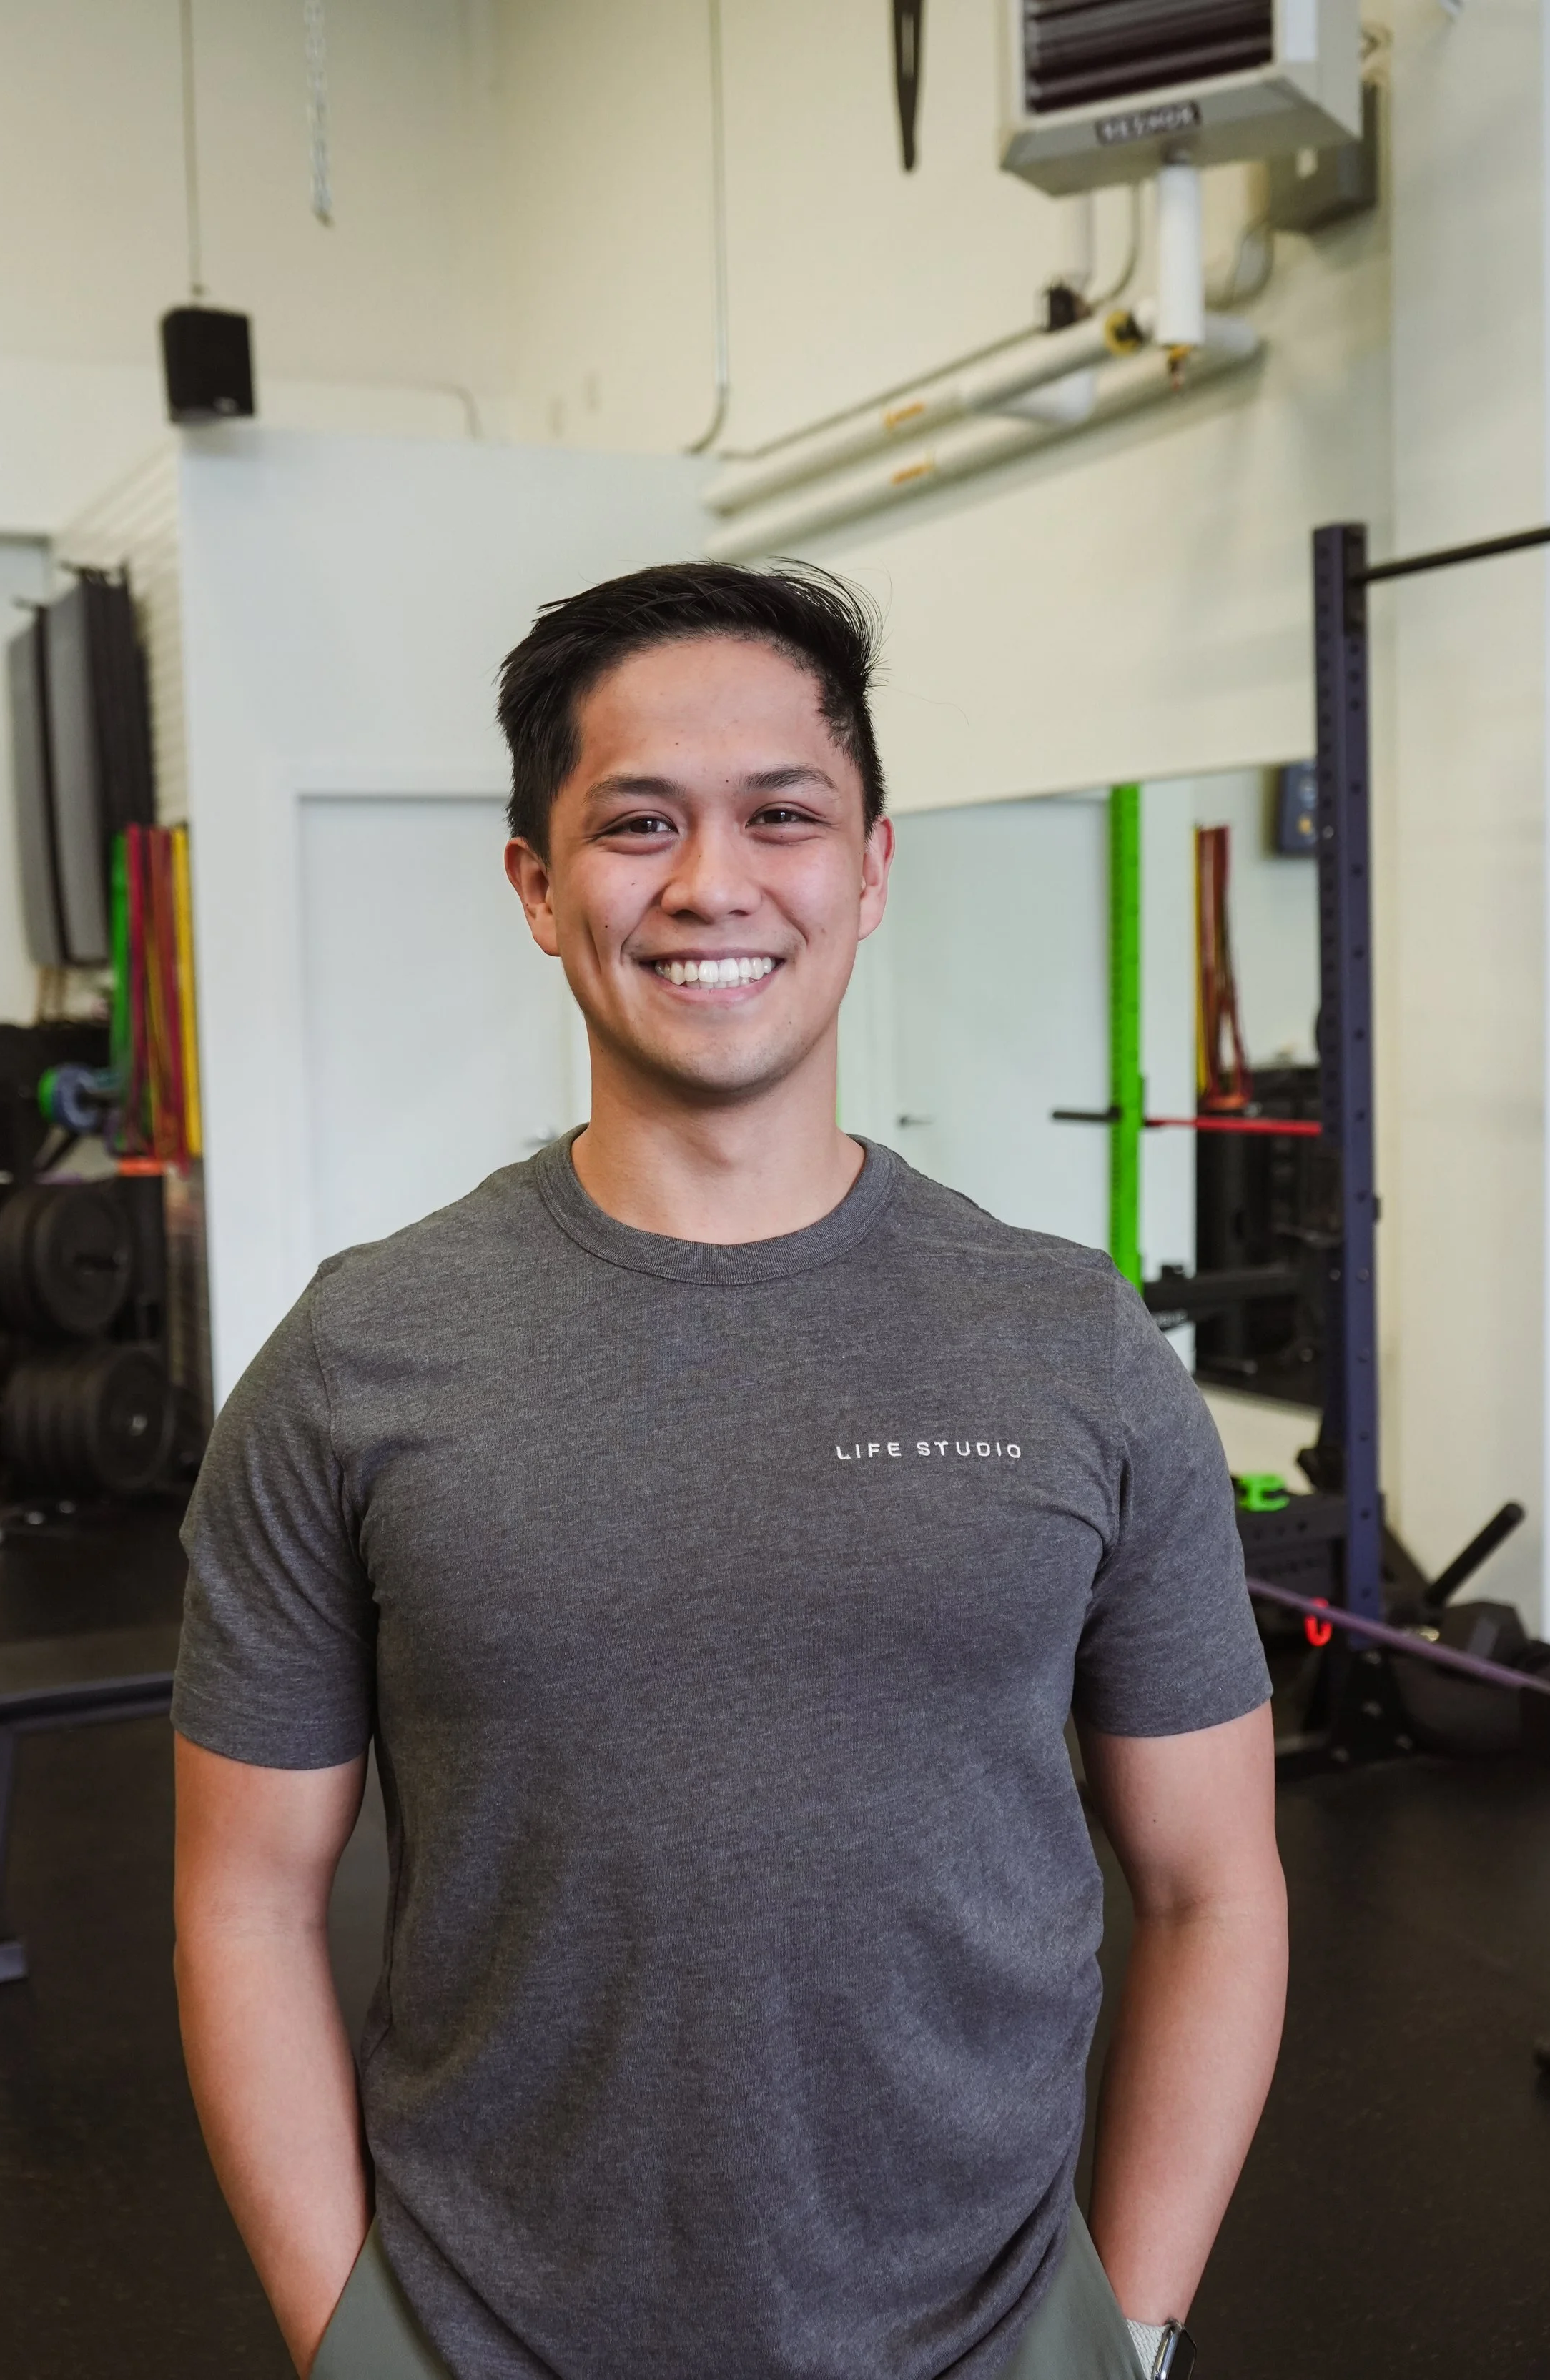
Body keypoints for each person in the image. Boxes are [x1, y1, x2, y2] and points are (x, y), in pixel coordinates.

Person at [172, 562, 1288, 2380]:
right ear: (536, 886)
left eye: (782, 815)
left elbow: (1212, 1882)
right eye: (634, 823)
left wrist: (1126, 2333)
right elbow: (239, 1892)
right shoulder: (356, 1359)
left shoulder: (1067, 1342)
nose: (711, 883)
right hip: (479, 2342)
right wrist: (348, 2343)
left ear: (868, 866)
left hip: (996, 2345)